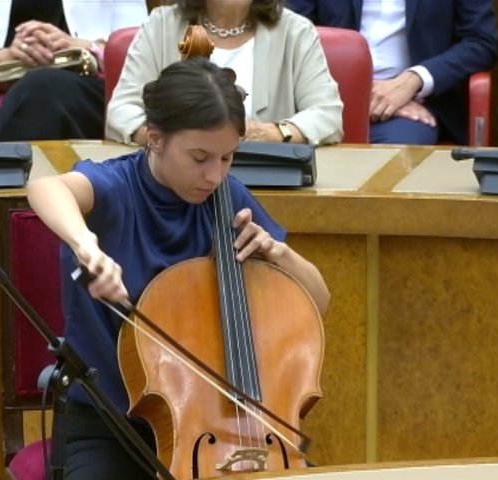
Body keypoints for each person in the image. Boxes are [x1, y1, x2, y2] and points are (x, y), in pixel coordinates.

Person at [27, 57, 330, 478]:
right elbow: (44, 187)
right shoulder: (115, 187)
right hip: (107, 426)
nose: (214, 175)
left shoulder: (228, 196)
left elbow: (319, 300)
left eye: (227, 158)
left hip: (215, 425)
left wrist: (279, 255)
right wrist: (86, 246)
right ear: (155, 138)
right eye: (200, 157)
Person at [106, 0, 343, 146]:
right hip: (175, 183)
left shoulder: (296, 31)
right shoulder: (160, 26)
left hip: (269, 181)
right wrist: (171, 141)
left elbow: (327, 114)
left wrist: (274, 133)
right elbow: (121, 111)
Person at [287, 0, 498, 145]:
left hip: (413, 106)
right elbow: (291, 37)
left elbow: (481, 43)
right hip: (322, 98)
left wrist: (413, 81)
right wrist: (364, 97)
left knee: (393, 162)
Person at [0, 0, 149, 141]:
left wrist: (80, 45)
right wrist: (4, 57)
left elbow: (139, 46)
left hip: (87, 86)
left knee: (43, 88)